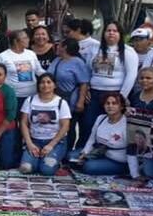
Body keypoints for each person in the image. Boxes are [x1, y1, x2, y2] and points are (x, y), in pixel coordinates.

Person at [81, 21, 139, 149]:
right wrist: (87, 90)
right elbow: (87, 70)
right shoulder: (95, 49)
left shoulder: (128, 51)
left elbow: (131, 76)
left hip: (115, 94)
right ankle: (85, 152)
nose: (111, 33)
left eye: (115, 31)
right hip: (94, 94)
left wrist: (121, 97)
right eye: (108, 30)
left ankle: (107, 152)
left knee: (112, 125)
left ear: (120, 34)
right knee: (89, 124)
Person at [19, 74, 71, 176]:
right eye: (42, 82)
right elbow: (23, 123)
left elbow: (65, 126)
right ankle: (38, 159)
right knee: (26, 168)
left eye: (49, 82)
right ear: (38, 85)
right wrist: (29, 144)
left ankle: (54, 161)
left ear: (54, 85)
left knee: (46, 170)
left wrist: (51, 145)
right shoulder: (30, 100)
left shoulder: (61, 102)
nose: (45, 85)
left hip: (55, 142)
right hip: (35, 141)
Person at [72, 92, 129, 175]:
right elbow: (92, 138)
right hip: (99, 153)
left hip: (117, 160)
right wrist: (85, 153)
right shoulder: (101, 118)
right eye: (107, 103)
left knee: (88, 167)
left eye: (114, 103)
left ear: (121, 106)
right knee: (71, 156)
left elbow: (132, 150)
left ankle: (122, 170)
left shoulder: (127, 124)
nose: (110, 106)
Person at [50, 39, 91, 147]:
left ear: (65, 47)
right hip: (56, 99)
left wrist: (81, 101)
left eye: (59, 45)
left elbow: (84, 83)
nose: (57, 47)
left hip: (71, 99)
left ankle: (68, 151)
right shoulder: (57, 60)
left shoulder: (78, 62)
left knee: (69, 126)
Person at [0, 29, 45, 109]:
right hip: (13, 96)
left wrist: (51, 76)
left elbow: (38, 71)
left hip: (32, 95)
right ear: (16, 41)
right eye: (25, 38)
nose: (28, 40)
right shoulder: (3, 56)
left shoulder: (31, 54)